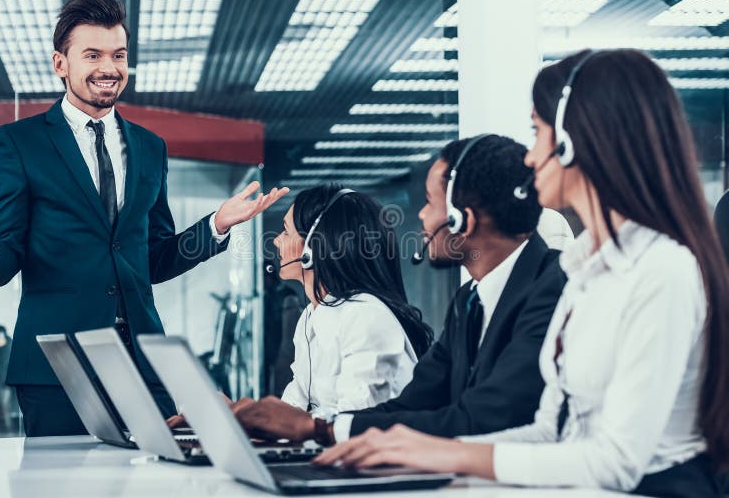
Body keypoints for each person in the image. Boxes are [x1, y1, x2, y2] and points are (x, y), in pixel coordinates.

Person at [316, 49, 729, 497]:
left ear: (573, 142)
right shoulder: (585, 267)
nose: (530, 158)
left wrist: (448, 454)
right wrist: (415, 450)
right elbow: (549, 431)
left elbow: (616, 462)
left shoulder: (662, 270)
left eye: (537, 132)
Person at [0, 0, 288, 437]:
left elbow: (154, 260)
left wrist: (215, 226)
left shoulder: (149, 147)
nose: (109, 68)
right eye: (93, 55)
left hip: (143, 361)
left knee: (160, 479)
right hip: (58, 367)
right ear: (60, 63)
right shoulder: (20, 143)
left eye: (119, 55)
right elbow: (2, 268)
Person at [232, 135, 566, 446]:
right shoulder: (469, 302)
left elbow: (484, 418)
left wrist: (321, 429)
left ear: (462, 219)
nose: (420, 215)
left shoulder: (554, 288)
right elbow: (412, 405)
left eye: (428, 202)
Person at [195, 185, 434, 441]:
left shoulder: (366, 316)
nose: (276, 241)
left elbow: (357, 422)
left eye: (286, 231)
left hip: (369, 467)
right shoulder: (312, 314)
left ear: (313, 247)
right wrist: (232, 416)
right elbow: (292, 411)